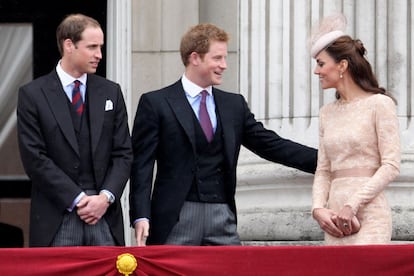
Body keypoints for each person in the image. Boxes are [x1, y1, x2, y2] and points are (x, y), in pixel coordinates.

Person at [129, 23, 318, 246]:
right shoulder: (156, 103)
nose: (224, 65)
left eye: (225, 58)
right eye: (217, 58)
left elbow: (271, 145)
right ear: (195, 58)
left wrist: (326, 160)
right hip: (175, 217)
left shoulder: (233, 105)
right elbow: (141, 165)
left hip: (223, 214)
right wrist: (141, 216)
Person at [17, 14, 132, 247]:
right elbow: (34, 158)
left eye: (100, 46)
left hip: (104, 213)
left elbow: (123, 153)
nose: (99, 54)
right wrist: (78, 199)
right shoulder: (33, 95)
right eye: (92, 47)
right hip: (56, 213)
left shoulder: (111, 92)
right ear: (69, 45)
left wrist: (105, 198)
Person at [309, 14, 400, 245]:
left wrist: (353, 203)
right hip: (334, 220)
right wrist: (318, 208)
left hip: (369, 215)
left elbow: (391, 165)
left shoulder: (380, 104)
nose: (316, 71)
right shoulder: (326, 113)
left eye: (321, 64)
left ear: (342, 65)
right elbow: (323, 170)